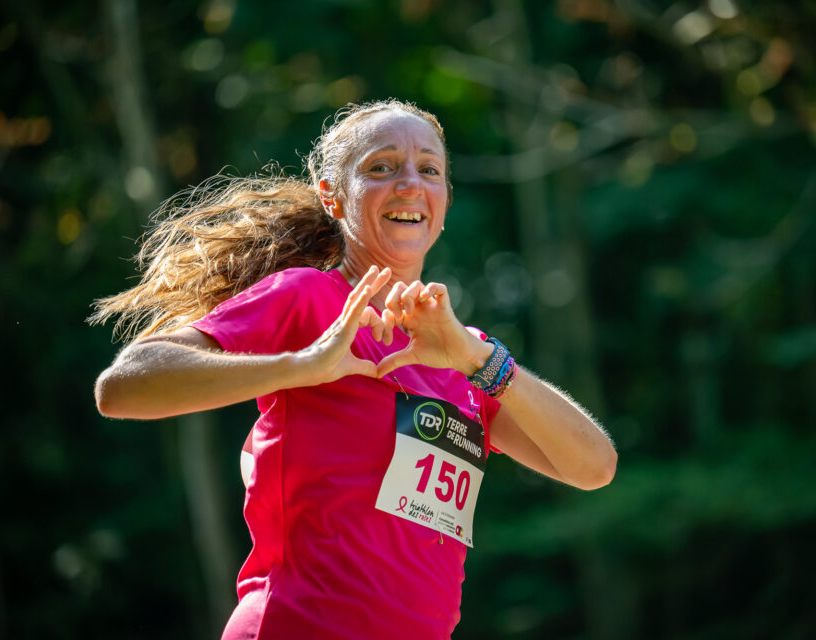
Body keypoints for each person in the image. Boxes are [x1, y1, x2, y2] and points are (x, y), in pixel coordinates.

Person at [92, 99, 617, 639]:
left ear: (445, 201)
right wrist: (302, 365)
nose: (410, 184)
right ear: (332, 198)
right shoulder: (309, 297)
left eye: (429, 170)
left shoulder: (466, 355)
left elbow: (593, 467)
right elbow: (123, 385)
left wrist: (480, 360)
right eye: (381, 168)